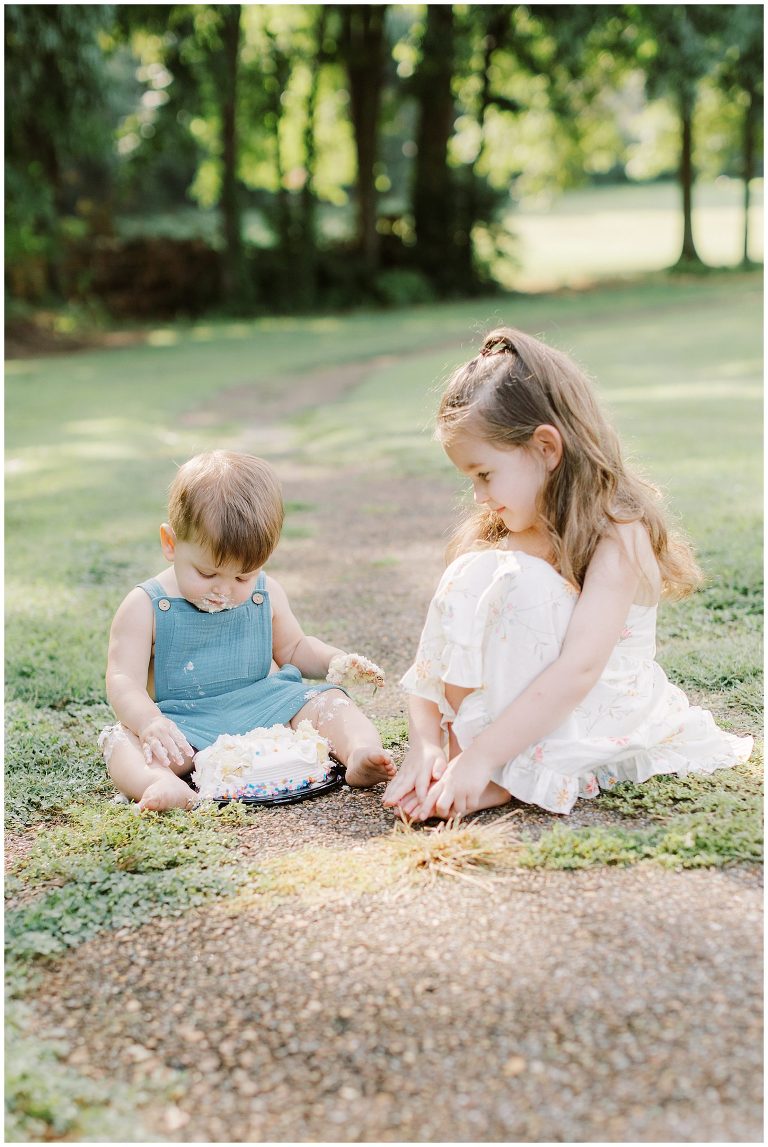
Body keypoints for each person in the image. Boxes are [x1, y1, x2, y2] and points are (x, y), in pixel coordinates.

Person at [383, 328, 753, 820]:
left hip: (597, 706)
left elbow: (579, 670)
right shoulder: (503, 532)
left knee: (518, 581)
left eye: (485, 474)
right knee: (472, 571)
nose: (477, 495)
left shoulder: (617, 535)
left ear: (546, 448)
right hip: (521, 713)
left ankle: (500, 766)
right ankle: (457, 752)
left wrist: (484, 758)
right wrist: (425, 741)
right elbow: (441, 643)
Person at [101, 450, 395, 811]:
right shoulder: (145, 606)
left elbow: (294, 648)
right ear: (171, 544)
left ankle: (360, 752)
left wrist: (336, 660)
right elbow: (122, 679)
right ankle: (160, 784)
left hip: (265, 706)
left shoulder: (265, 593)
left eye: (243, 576)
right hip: (186, 723)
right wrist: (150, 723)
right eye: (207, 573)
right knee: (122, 742)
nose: (223, 590)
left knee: (330, 703)